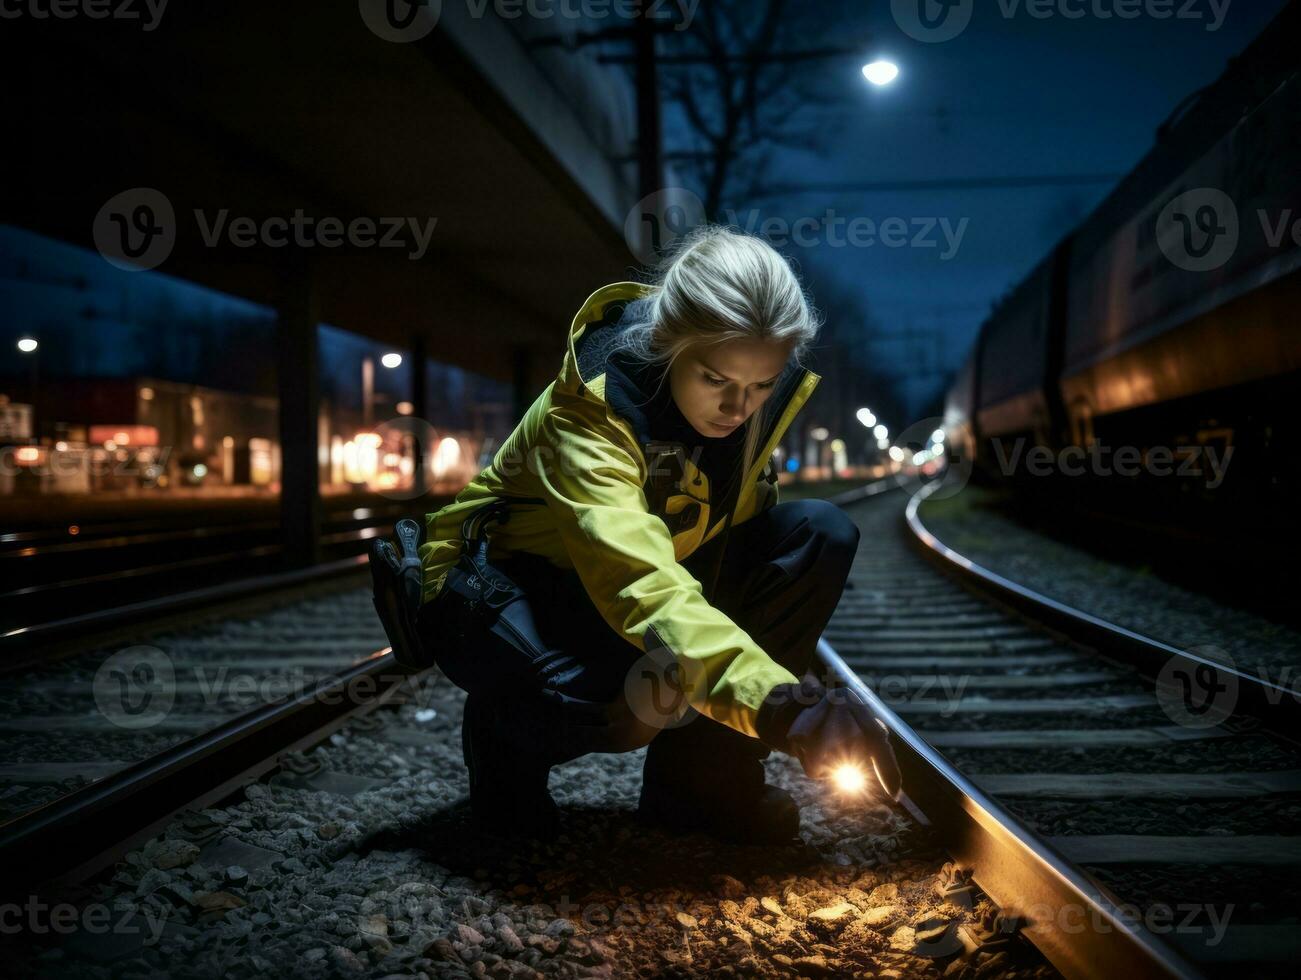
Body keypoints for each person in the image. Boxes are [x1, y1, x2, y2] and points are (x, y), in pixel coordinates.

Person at [414, 225, 900, 844]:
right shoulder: (591, 408)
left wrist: (775, 688)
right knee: (632, 702)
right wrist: (782, 704)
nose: (737, 407)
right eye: (716, 380)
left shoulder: (747, 413)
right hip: (511, 590)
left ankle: (701, 788)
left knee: (818, 532)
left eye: (759, 386)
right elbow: (639, 582)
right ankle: (503, 739)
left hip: (626, 579)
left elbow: (728, 544)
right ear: (670, 344)